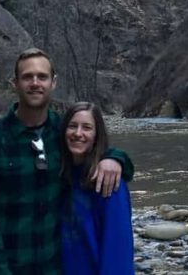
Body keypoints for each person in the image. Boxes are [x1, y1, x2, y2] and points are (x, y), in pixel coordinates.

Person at [0, 48, 133, 274]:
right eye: (27, 77)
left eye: (42, 76)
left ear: (53, 82)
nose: (35, 83)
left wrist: (116, 159)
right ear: (15, 83)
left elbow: (94, 151)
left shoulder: (62, 133)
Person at [60, 102, 135, 275]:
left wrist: (115, 158)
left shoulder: (110, 182)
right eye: (72, 126)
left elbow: (118, 252)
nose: (78, 133)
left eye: (87, 127)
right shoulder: (61, 176)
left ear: (96, 135)